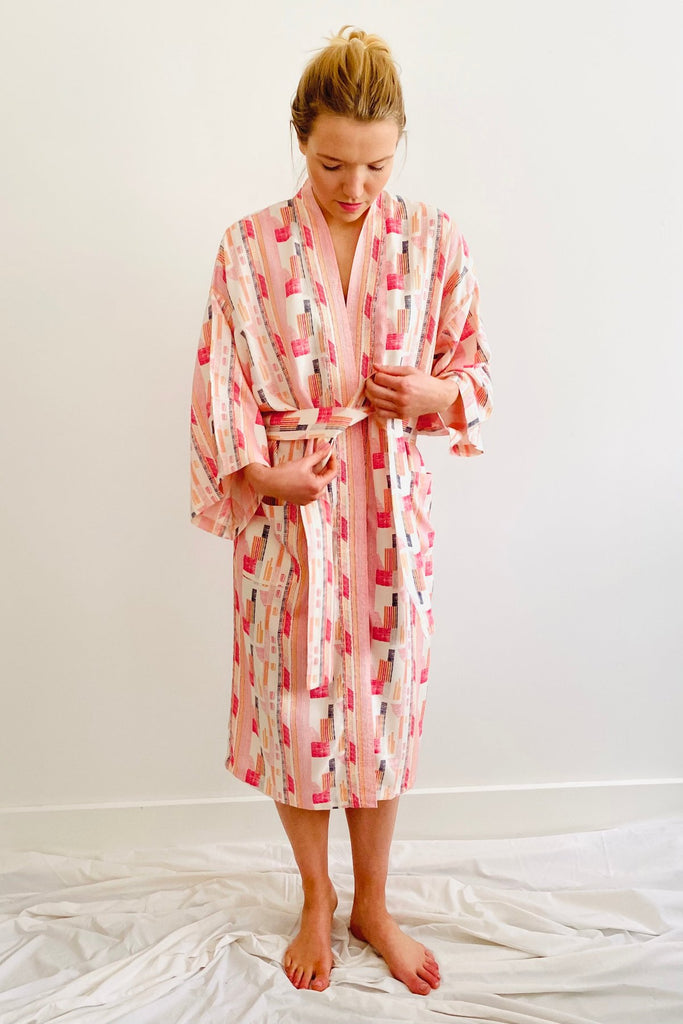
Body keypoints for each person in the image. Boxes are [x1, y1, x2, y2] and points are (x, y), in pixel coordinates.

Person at [190, 26, 493, 995]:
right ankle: (316, 897)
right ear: (298, 141)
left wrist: (436, 397)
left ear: (396, 145)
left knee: (383, 706)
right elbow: (219, 383)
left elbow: (474, 369)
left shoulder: (434, 238)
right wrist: (264, 477)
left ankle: (372, 898)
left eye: (374, 164)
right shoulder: (246, 248)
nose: (352, 186)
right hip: (295, 513)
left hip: (390, 514)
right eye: (329, 163)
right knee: (295, 709)